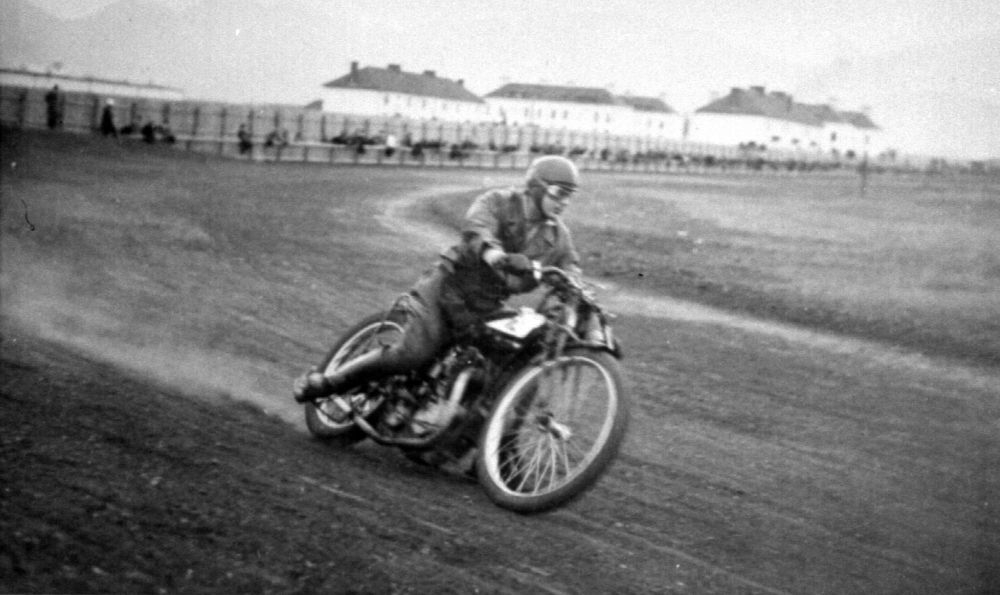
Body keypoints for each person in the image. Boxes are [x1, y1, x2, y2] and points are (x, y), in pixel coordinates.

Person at [293, 155, 584, 417]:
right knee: (413, 353)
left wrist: (576, 290)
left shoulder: (558, 236)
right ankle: (329, 383)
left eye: (570, 197)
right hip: (448, 288)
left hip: (487, 305)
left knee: (506, 363)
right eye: (559, 193)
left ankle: (475, 441)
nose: (564, 203)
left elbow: (571, 267)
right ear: (536, 186)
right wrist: (492, 253)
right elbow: (476, 226)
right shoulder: (499, 201)